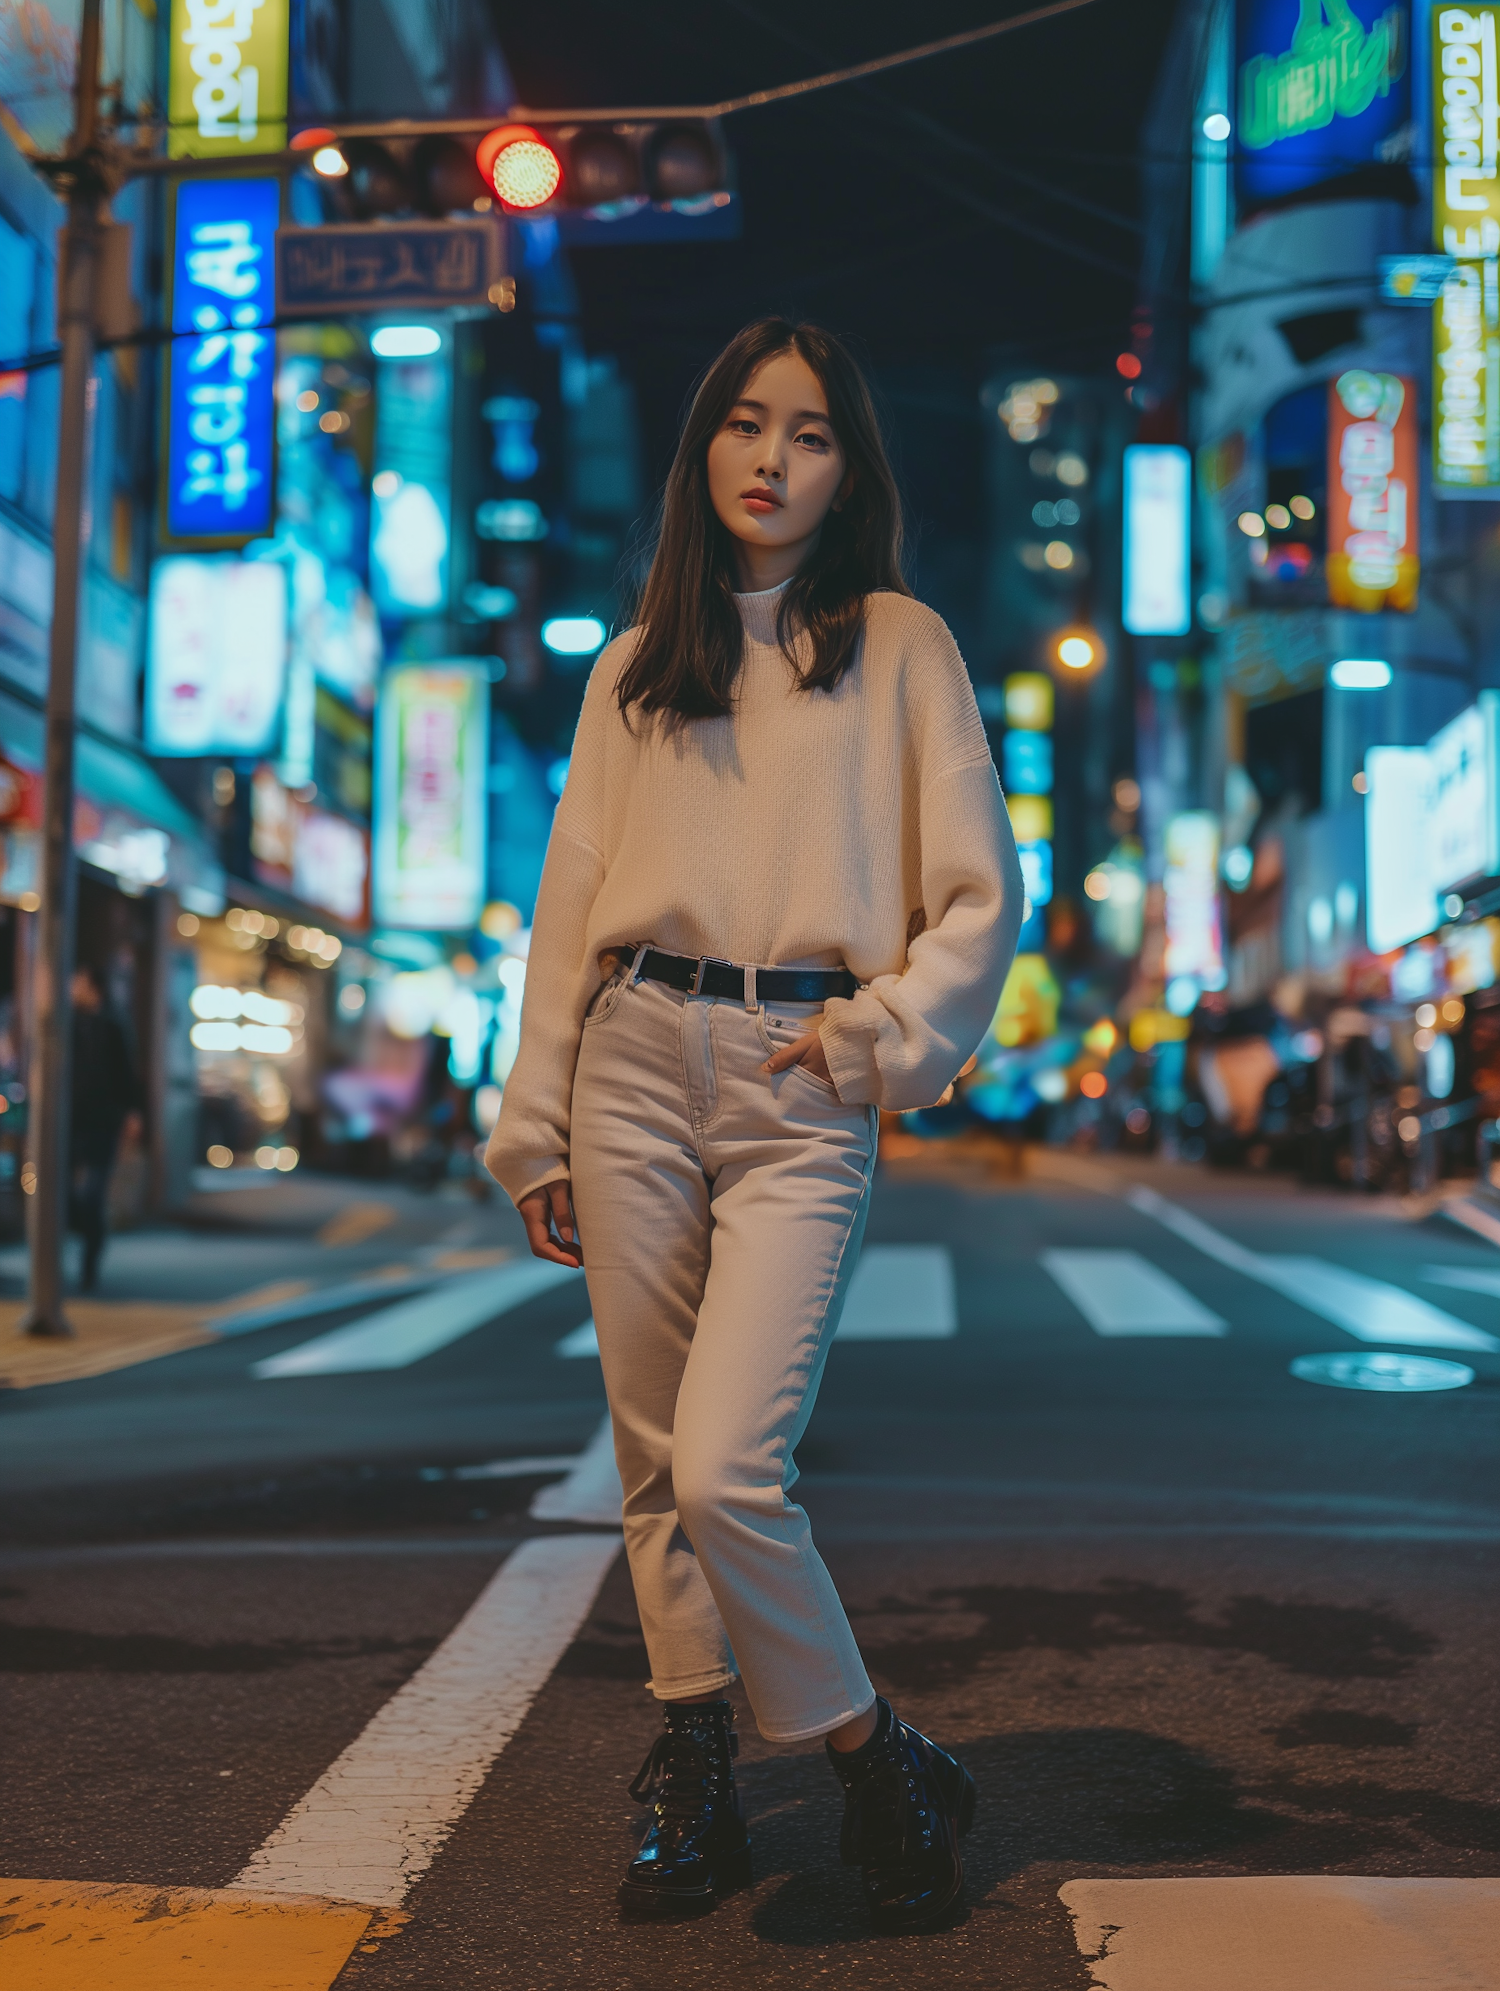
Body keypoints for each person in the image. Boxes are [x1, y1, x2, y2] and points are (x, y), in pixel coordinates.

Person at [486, 318, 1022, 1931]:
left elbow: (981, 896)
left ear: (848, 470)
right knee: (653, 1458)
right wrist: (537, 1126)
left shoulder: (899, 643)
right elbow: (569, 900)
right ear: (701, 451)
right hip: (631, 1054)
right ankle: (693, 1765)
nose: (769, 458)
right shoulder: (636, 667)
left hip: (799, 1079)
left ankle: (874, 1755)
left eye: (807, 433)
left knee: (730, 1464)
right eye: (741, 423)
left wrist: (878, 1035)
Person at [68, 965, 142, 1292]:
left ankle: (89, 1267)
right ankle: (79, 1252)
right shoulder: (67, 1023)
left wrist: (131, 1113)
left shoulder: (113, 1025)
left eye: (78, 982)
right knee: (66, 1195)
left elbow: (127, 1074)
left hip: (103, 1121)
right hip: (71, 1121)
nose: (72, 988)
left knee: (94, 1195)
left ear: (92, 986)